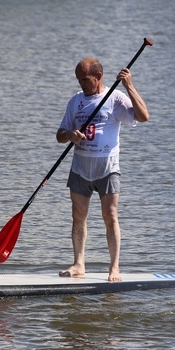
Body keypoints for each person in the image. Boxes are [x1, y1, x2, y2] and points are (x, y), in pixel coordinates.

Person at [56, 57, 149, 282]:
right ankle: (79, 264)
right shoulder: (75, 101)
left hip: (107, 167)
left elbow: (144, 117)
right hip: (80, 168)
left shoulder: (115, 98)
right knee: (78, 216)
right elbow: (60, 135)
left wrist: (129, 86)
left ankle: (114, 268)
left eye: (85, 79)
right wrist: (70, 135)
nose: (81, 84)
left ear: (98, 76)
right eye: (78, 79)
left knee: (110, 215)